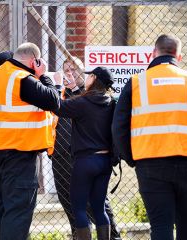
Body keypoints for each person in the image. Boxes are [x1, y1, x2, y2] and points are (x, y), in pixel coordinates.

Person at [112, 34, 187, 240]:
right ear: (179, 56)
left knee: (161, 224)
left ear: (153, 54)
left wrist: (131, 158)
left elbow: (118, 128)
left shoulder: (136, 83)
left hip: (150, 164)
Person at [0, 44, 60, 240]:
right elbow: (54, 101)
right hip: (19, 154)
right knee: (17, 211)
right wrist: (44, 76)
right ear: (34, 61)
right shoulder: (23, 79)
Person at [51, 57, 121, 240]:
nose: (87, 78)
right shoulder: (111, 102)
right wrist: (75, 89)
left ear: (95, 80)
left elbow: (59, 107)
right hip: (104, 161)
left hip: (85, 162)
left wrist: (58, 87)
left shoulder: (84, 103)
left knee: (79, 208)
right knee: (99, 208)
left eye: (90, 76)